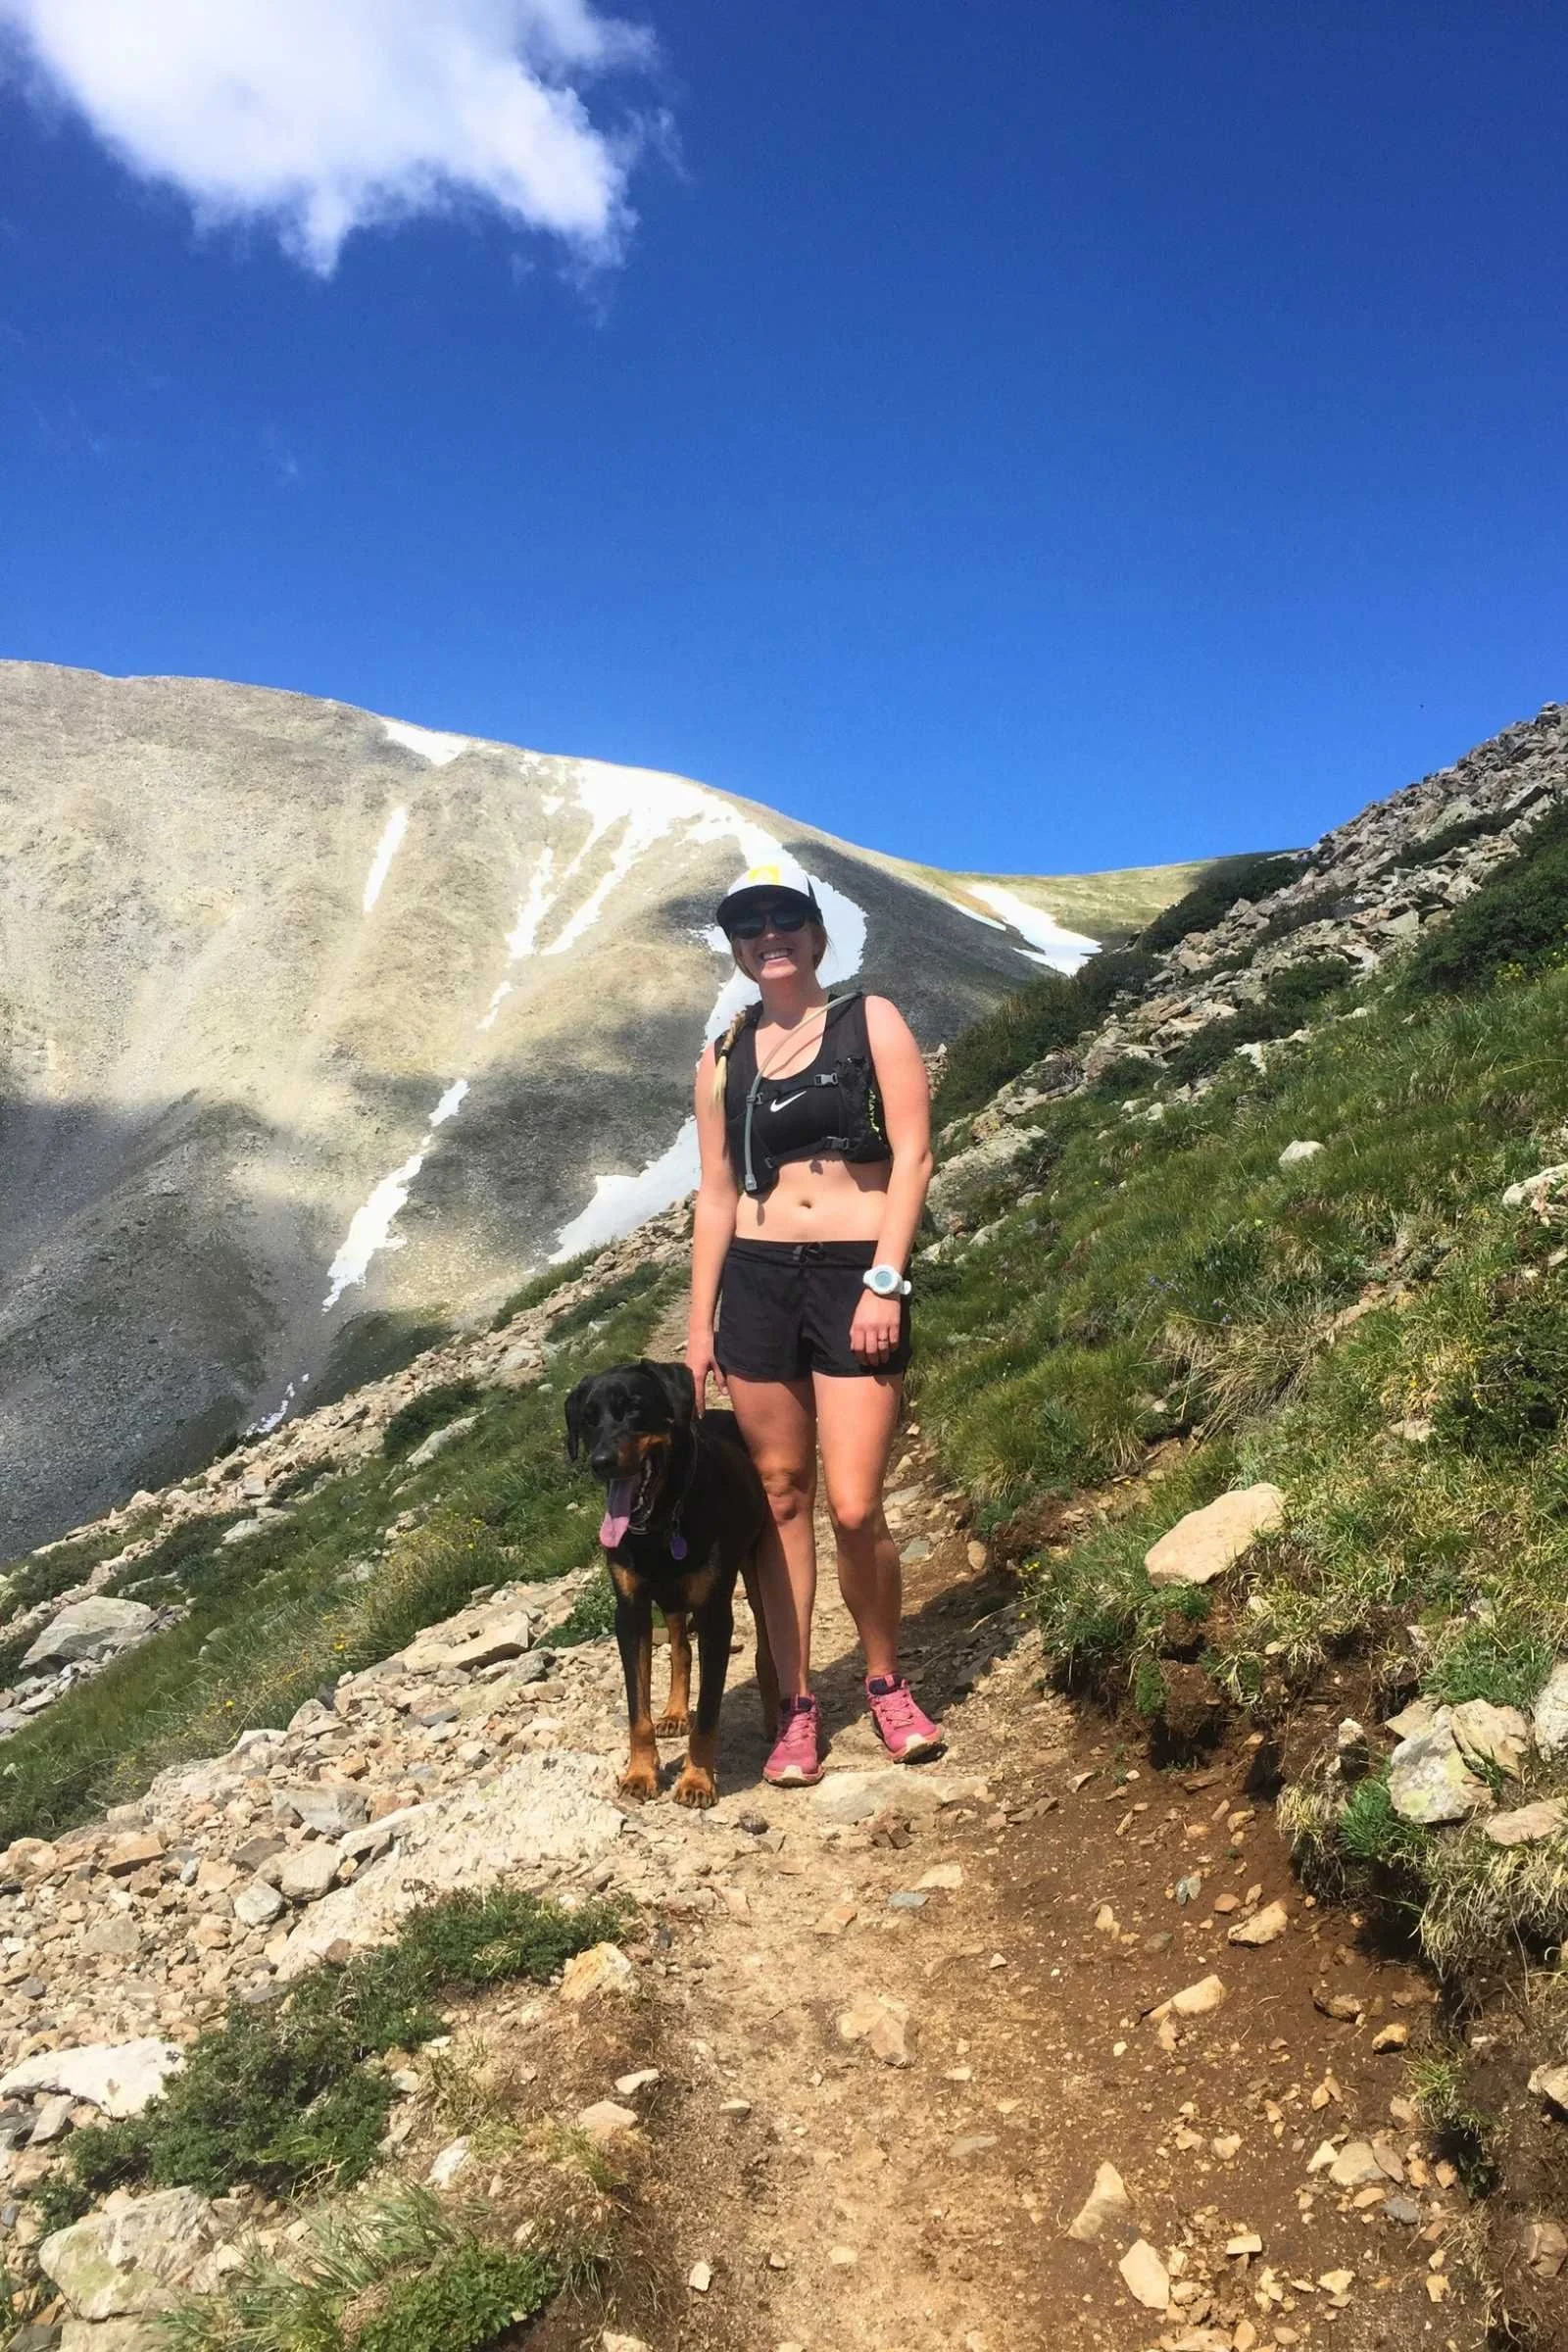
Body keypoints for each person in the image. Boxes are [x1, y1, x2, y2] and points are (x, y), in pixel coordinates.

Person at [685, 858, 942, 1786]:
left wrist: (885, 1281)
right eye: (749, 926)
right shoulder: (722, 1059)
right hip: (756, 1284)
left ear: (815, 933)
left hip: (852, 1274)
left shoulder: (871, 1021)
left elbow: (913, 1157)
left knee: (855, 1503)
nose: (769, 937)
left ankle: (885, 1680)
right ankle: (796, 1705)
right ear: (736, 947)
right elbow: (717, 1194)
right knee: (782, 1496)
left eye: (784, 919)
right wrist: (701, 1328)